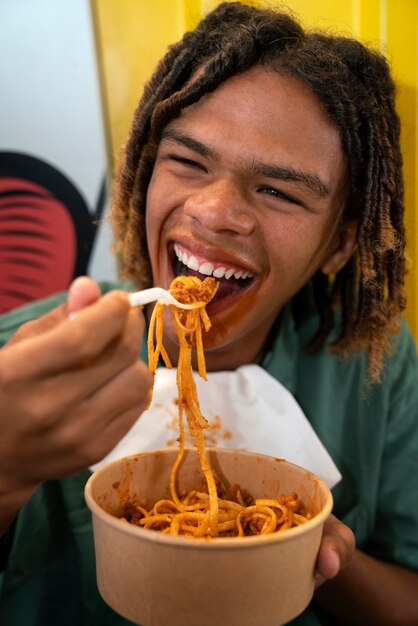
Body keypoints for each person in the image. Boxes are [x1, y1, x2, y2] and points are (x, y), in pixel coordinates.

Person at [0, 2, 417, 624]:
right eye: (189, 161)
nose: (216, 210)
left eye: (278, 190)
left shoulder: (370, 365)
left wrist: (326, 557)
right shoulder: (25, 360)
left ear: (340, 243)